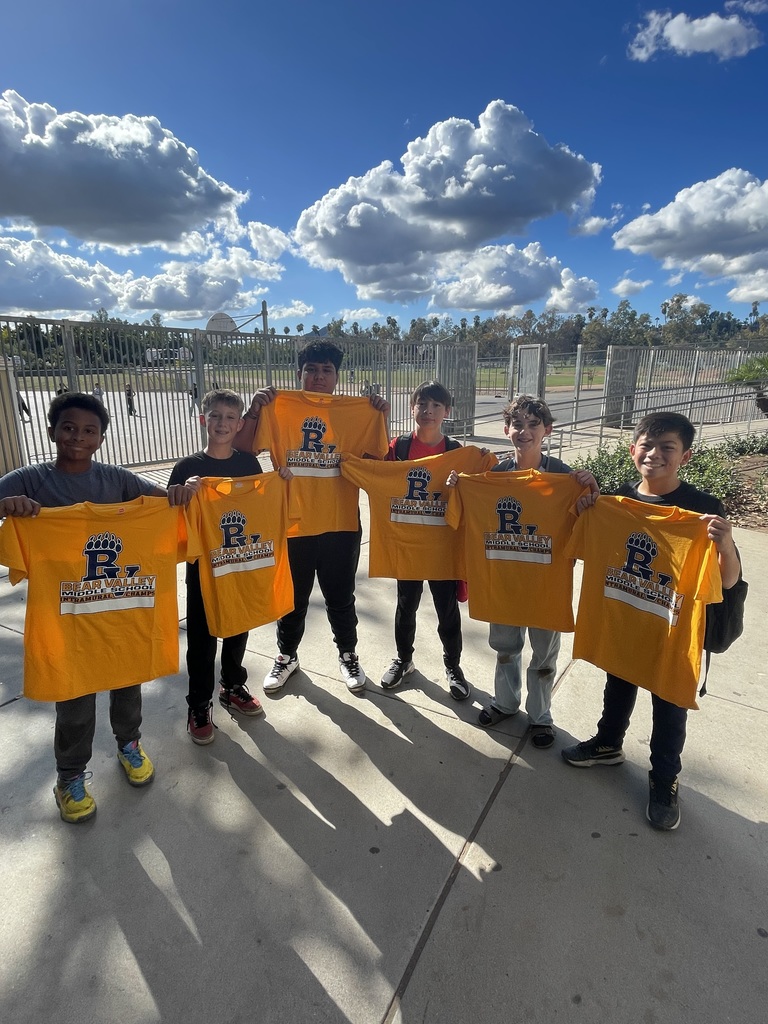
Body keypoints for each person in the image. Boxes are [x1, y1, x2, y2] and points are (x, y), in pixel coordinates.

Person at [0, 393, 196, 824]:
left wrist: (182, 491)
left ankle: (129, 744)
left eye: (89, 431)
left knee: (127, 682)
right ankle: (69, 775)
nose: (77, 437)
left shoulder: (117, 480)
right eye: (68, 428)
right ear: (52, 431)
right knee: (74, 698)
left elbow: (164, 504)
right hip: (66, 615)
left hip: (121, 609)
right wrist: (6, 508)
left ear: (101, 438)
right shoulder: (29, 480)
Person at [561, 412, 741, 830]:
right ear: (632, 449)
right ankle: (608, 742)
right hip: (627, 619)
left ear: (686, 456)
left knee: (669, 702)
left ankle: (664, 779)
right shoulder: (619, 500)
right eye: (647, 445)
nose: (655, 455)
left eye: (667, 448)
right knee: (618, 682)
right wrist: (588, 508)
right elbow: (584, 547)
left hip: (673, 629)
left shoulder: (703, 510)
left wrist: (727, 543)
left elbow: (729, 580)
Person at [238, 340, 389, 694]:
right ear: (299, 373)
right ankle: (287, 655)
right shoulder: (278, 408)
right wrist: (255, 410)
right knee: (292, 598)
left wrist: (377, 414)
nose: (319, 377)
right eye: (312, 369)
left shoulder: (357, 411)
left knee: (341, 596)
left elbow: (379, 462)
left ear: (337, 376)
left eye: (326, 370)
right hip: (293, 523)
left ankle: (348, 654)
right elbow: (244, 448)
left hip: (341, 523)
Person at [471, 395, 591, 746]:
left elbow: (586, 522)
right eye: (517, 425)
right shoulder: (494, 476)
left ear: (547, 430)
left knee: (544, 655)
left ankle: (541, 717)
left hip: (546, 583)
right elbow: (474, 507)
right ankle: (505, 703)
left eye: (533, 424)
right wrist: (457, 485)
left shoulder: (564, 476)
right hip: (506, 579)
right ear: (507, 430)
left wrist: (588, 490)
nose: (524, 432)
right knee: (506, 647)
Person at [168, 388, 264, 744]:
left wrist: (281, 484)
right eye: (215, 416)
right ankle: (199, 703)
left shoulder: (248, 464)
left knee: (239, 626)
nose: (221, 423)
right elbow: (172, 520)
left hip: (240, 561)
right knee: (202, 640)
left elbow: (260, 507)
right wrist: (182, 494)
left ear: (239, 424)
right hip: (203, 568)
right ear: (202, 419)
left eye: (229, 418)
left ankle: (233, 685)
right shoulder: (187, 468)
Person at [380, 380, 471, 700]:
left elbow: (483, 486)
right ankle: (404, 660)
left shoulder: (457, 452)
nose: (428, 411)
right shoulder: (399, 447)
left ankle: (453, 666)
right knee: (406, 606)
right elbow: (377, 475)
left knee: (447, 610)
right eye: (422, 404)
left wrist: (467, 477)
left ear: (447, 411)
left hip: (443, 546)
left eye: (436, 406)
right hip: (409, 544)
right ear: (412, 408)